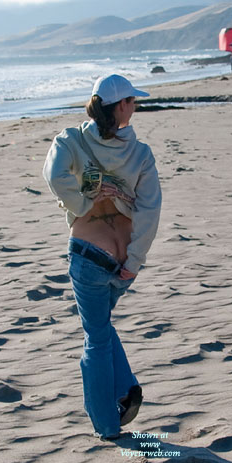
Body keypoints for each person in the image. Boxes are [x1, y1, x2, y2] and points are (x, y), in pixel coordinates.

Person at [43, 74, 162, 440]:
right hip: (122, 261)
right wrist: (135, 261)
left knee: (95, 336)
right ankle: (126, 390)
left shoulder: (71, 140)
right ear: (121, 106)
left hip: (90, 255)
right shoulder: (140, 154)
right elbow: (149, 210)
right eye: (132, 100)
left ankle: (108, 426)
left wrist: (82, 203)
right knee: (101, 326)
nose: (136, 106)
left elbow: (53, 175)